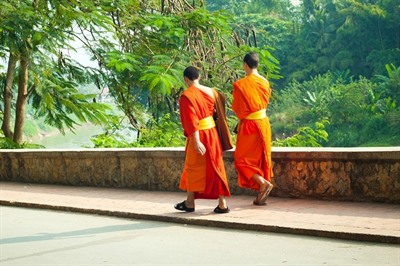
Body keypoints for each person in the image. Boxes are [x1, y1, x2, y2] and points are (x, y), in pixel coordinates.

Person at [174, 66, 231, 214]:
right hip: (212, 133)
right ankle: (221, 203)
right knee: (216, 166)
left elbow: (192, 120)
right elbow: (221, 107)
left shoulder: (187, 95)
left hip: (199, 135)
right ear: (198, 77)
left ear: (186, 79)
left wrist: (197, 141)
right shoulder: (212, 92)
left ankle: (190, 203)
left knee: (192, 167)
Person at [232, 52, 274, 206]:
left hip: (250, 125)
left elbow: (238, 109)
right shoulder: (265, 82)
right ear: (257, 64)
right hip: (263, 123)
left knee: (241, 160)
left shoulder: (241, 84)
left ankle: (262, 183)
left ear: (245, 65)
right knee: (260, 158)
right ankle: (260, 193)